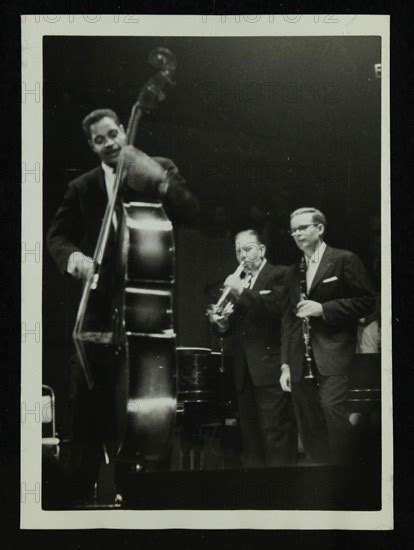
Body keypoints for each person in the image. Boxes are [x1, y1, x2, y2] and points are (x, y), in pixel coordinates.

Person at [47, 108, 198, 505]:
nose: (110, 143)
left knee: (145, 416)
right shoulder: (83, 187)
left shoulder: (155, 168)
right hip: (97, 315)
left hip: (146, 314)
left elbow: (190, 211)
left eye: (113, 133)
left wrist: (161, 181)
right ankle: (76, 509)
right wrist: (74, 258)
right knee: (84, 417)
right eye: (100, 139)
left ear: (121, 130)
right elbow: (57, 237)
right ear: (91, 146)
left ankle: (147, 502)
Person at [280, 207, 375, 465]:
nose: (297, 234)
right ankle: (322, 478)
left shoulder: (344, 260)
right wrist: (285, 364)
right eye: (293, 230)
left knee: (332, 409)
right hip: (301, 358)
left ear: (319, 229)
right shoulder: (293, 272)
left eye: (303, 228)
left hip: (333, 352)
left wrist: (324, 309)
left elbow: (367, 301)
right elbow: (288, 321)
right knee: (309, 422)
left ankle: (351, 472)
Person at [207, 229, 297, 468]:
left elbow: (277, 308)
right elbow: (233, 327)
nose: (242, 255)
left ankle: (283, 495)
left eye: (247, 249)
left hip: (270, 369)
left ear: (262, 250)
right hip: (243, 373)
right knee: (251, 441)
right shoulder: (241, 280)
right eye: (238, 250)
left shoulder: (280, 274)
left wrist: (240, 291)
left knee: (275, 436)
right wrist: (221, 324)